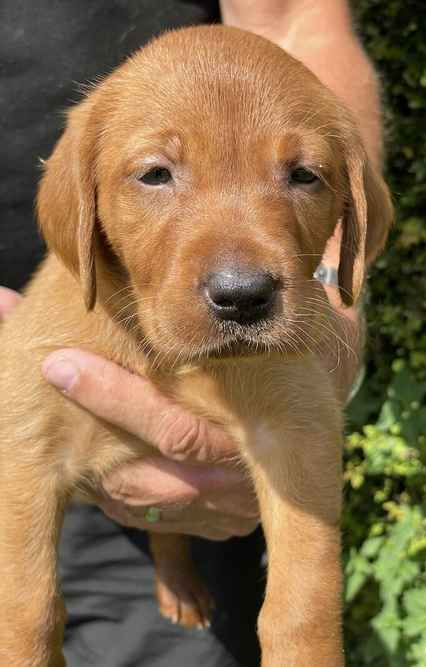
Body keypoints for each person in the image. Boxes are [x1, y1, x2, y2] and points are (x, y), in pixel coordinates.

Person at [0, 1, 382, 665]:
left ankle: (171, 562)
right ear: (81, 199)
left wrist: (336, 302)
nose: (237, 274)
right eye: (156, 174)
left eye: (302, 175)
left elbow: (293, 20)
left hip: (203, 488)